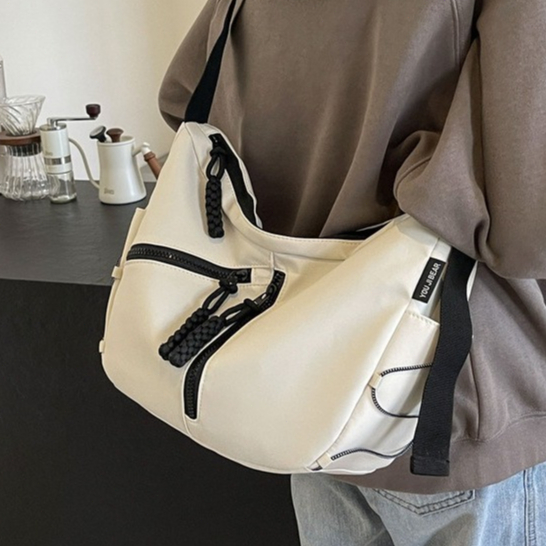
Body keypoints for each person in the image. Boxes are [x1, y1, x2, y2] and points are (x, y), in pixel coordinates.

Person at [157, 1, 546, 544]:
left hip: (307, 381)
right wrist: (424, 179)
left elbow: (183, 97)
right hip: (443, 400)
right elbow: (526, 228)